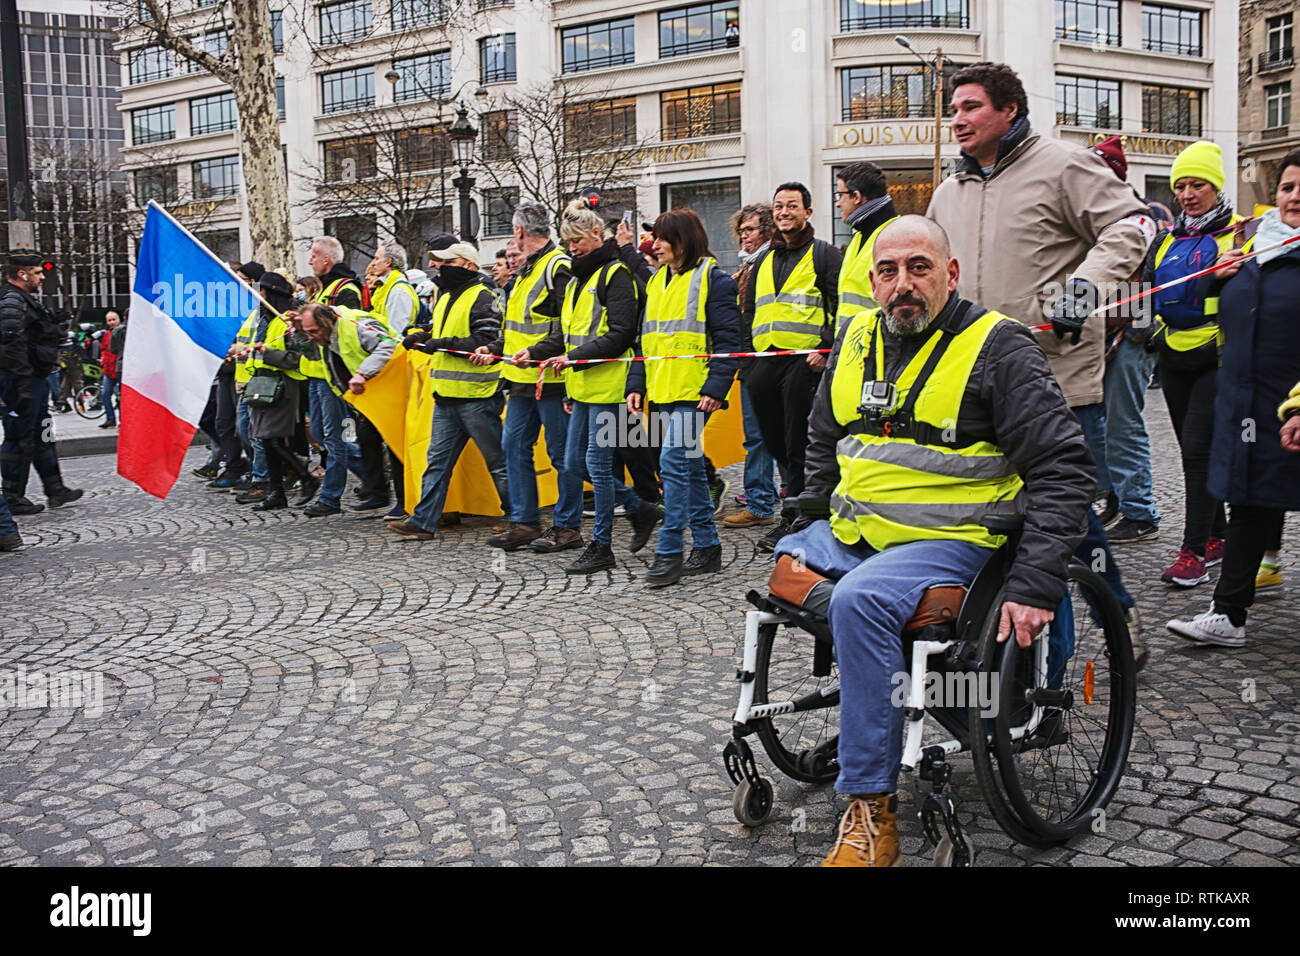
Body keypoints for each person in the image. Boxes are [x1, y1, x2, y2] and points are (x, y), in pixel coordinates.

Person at [779, 216, 1094, 866]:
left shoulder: (997, 348)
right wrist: (806, 517)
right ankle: (879, 706)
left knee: (858, 603)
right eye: (889, 272)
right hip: (857, 530)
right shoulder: (856, 337)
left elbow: (1064, 469)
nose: (904, 285)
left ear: (950, 274)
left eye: (919, 268)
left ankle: (871, 808)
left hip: (955, 541)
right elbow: (822, 438)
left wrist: (1036, 583)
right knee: (779, 573)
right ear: (872, 281)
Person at [926, 61, 1152, 665]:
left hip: (1057, 380)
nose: (958, 119)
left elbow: (1134, 224)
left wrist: (1085, 289)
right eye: (953, 109)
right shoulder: (948, 191)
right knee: (1042, 516)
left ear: (1009, 110)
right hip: (974, 384)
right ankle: (1114, 606)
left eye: (970, 106)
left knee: (1057, 514)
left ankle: (1049, 676)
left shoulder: (1064, 164)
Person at [1167, 149, 1300, 647]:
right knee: (1248, 501)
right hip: (1250, 404)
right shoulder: (1255, 251)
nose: (1293, 196)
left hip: (1293, 403)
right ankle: (1228, 615)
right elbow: (1207, 313)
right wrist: (1217, 279)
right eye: (1287, 187)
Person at [534, 198, 662, 573]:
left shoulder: (616, 275)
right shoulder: (577, 279)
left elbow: (622, 334)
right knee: (572, 463)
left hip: (610, 388)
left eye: (577, 240)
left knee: (596, 464)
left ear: (596, 234)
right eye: (567, 242)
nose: (572, 247)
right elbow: (569, 335)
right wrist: (535, 351)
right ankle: (639, 507)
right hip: (584, 388)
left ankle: (602, 544)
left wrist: (571, 359)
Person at [1144, 141, 1251, 585]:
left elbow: (1251, 301)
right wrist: (1148, 337)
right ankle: (1217, 536)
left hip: (1216, 357)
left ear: (1216, 186)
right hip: (1174, 356)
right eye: (1181, 186)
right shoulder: (1165, 239)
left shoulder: (1241, 234)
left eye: (1198, 184)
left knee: (1198, 453)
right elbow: (1145, 292)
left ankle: (1194, 552)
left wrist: (1229, 274)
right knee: (1192, 450)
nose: (1187, 194)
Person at [627, 209, 740, 587]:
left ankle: (670, 550)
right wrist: (637, 384)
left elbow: (729, 342)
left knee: (673, 462)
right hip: (662, 390)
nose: (654, 245)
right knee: (688, 469)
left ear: (682, 240)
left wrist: (715, 390)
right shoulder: (657, 282)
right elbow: (647, 340)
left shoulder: (714, 280)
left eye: (661, 237)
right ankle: (707, 547)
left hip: (694, 393)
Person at [477, 200, 582, 554]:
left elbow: (571, 327)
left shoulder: (556, 267)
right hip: (521, 380)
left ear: (520, 231)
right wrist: (494, 348)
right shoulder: (528, 271)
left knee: (560, 455)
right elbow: (517, 329)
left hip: (550, 378)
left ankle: (567, 526)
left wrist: (536, 354)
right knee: (514, 448)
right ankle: (524, 521)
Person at [743, 181, 843, 553]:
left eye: (792, 206)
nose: (784, 212)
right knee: (774, 442)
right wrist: (747, 364)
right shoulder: (764, 259)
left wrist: (827, 347)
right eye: (779, 206)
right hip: (765, 363)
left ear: (807, 212)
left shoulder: (825, 255)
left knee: (798, 441)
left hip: (805, 363)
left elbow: (843, 307)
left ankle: (796, 516)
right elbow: (749, 311)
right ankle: (801, 502)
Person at [393, 242, 510, 540]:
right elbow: (442, 334)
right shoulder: (445, 297)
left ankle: (519, 518)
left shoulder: (483, 297)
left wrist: (439, 343)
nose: (437, 266)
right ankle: (423, 521)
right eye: (435, 261)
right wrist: (424, 336)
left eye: (445, 261)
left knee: (498, 463)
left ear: (468, 265)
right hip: (447, 396)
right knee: (438, 463)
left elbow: (486, 340)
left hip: (476, 397)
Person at [1084, 136, 1161, 546]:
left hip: (1129, 338)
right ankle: (1115, 496)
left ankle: (1140, 510)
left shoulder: (1135, 217)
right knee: (1099, 426)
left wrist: (1136, 335)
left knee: (1123, 425)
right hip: (1100, 336)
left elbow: (1149, 284)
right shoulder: (1092, 212)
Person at [0, 250, 83, 514]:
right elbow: (11, 344)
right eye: (37, 273)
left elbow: (34, 335)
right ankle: (12, 496)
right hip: (19, 380)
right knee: (19, 436)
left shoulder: (24, 300)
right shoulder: (12, 300)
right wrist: (21, 384)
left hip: (33, 379)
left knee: (43, 434)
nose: (42, 276)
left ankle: (55, 489)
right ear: (22, 274)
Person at [722, 202, 781, 530]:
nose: (745, 236)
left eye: (752, 229)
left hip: (760, 362)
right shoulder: (749, 267)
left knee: (759, 436)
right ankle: (772, 493)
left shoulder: (763, 265)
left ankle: (760, 502)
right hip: (755, 361)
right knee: (771, 434)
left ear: (767, 230)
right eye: (742, 230)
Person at [241, 273, 318, 511]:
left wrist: (265, 354)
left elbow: (297, 358)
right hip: (262, 385)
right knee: (267, 440)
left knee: (273, 442)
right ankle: (277, 492)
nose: (257, 295)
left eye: (261, 291)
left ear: (270, 293)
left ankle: (305, 477)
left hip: (283, 387)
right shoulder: (264, 319)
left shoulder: (284, 321)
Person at [366, 242, 420, 518]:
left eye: (376, 259)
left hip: (396, 371)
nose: (372, 263)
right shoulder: (385, 289)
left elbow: (395, 335)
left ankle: (405, 499)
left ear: (389, 262)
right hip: (389, 369)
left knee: (397, 440)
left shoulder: (397, 291)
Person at [834, 160, 899, 333]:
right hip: (852, 346)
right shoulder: (858, 237)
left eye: (839, 195)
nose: (837, 203)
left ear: (856, 196)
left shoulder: (896, 237)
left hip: (878, 348)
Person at [98, 310, 124, 429]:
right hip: (109, 369)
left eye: (114, 319)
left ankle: (121, 420)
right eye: (109, 320)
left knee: (121, 397)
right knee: (105, 394)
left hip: (118, 368)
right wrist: (103, 361)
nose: (112, 322)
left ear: (119, 320)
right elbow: (103, 349)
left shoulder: (122, 332)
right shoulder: (107, 335)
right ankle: (110, 418)